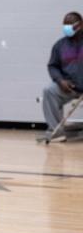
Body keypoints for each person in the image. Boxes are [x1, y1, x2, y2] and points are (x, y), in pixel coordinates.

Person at [40, 11, 83, 140]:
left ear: (80, 25)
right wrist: (60, 80)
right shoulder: (60, 46)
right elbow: (52, 66)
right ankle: (56, 131)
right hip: (70, 87)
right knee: (49, 91)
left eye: (69, 24)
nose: (66, 27)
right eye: (65, 24)